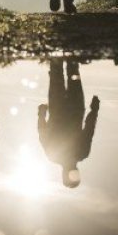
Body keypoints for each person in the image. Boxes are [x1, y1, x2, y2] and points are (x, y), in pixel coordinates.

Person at [38, 59, 100, 188]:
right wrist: (94, 110)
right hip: (68, 107)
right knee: (66, 73)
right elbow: (89, 129)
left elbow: (89, 128)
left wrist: (94, 110)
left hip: (67, 107)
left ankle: (58, 48)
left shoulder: (76, 153)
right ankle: (65, 49)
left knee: (67, 73)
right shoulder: (57, 155)